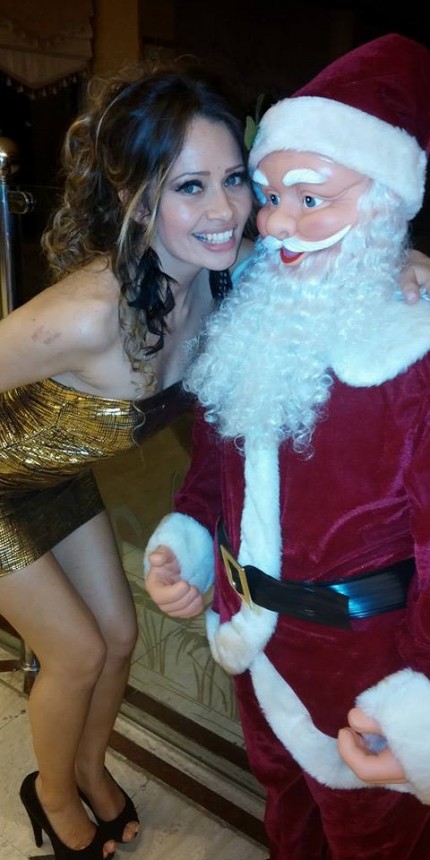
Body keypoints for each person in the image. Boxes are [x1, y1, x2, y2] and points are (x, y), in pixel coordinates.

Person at [144, 33, 430, 860]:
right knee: (288, 822)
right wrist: (190, 540)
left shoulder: (412, 355)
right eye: (269, 196)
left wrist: (419, 698)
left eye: (311, 198)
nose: (274, 224)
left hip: (368, 681)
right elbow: (216, 460)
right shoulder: (257, 305)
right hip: (256, 651)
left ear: (387, 201)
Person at [0, 63, 253, 860]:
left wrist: (407, 266)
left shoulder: (219, 274)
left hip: (53, 476)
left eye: (235, 178)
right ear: (135, 198)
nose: (224, 210)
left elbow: (322, 260)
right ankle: (50, 794)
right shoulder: (86, 314)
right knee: (75, 651)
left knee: (117, 634)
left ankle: (87, 768)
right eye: (191, 187)